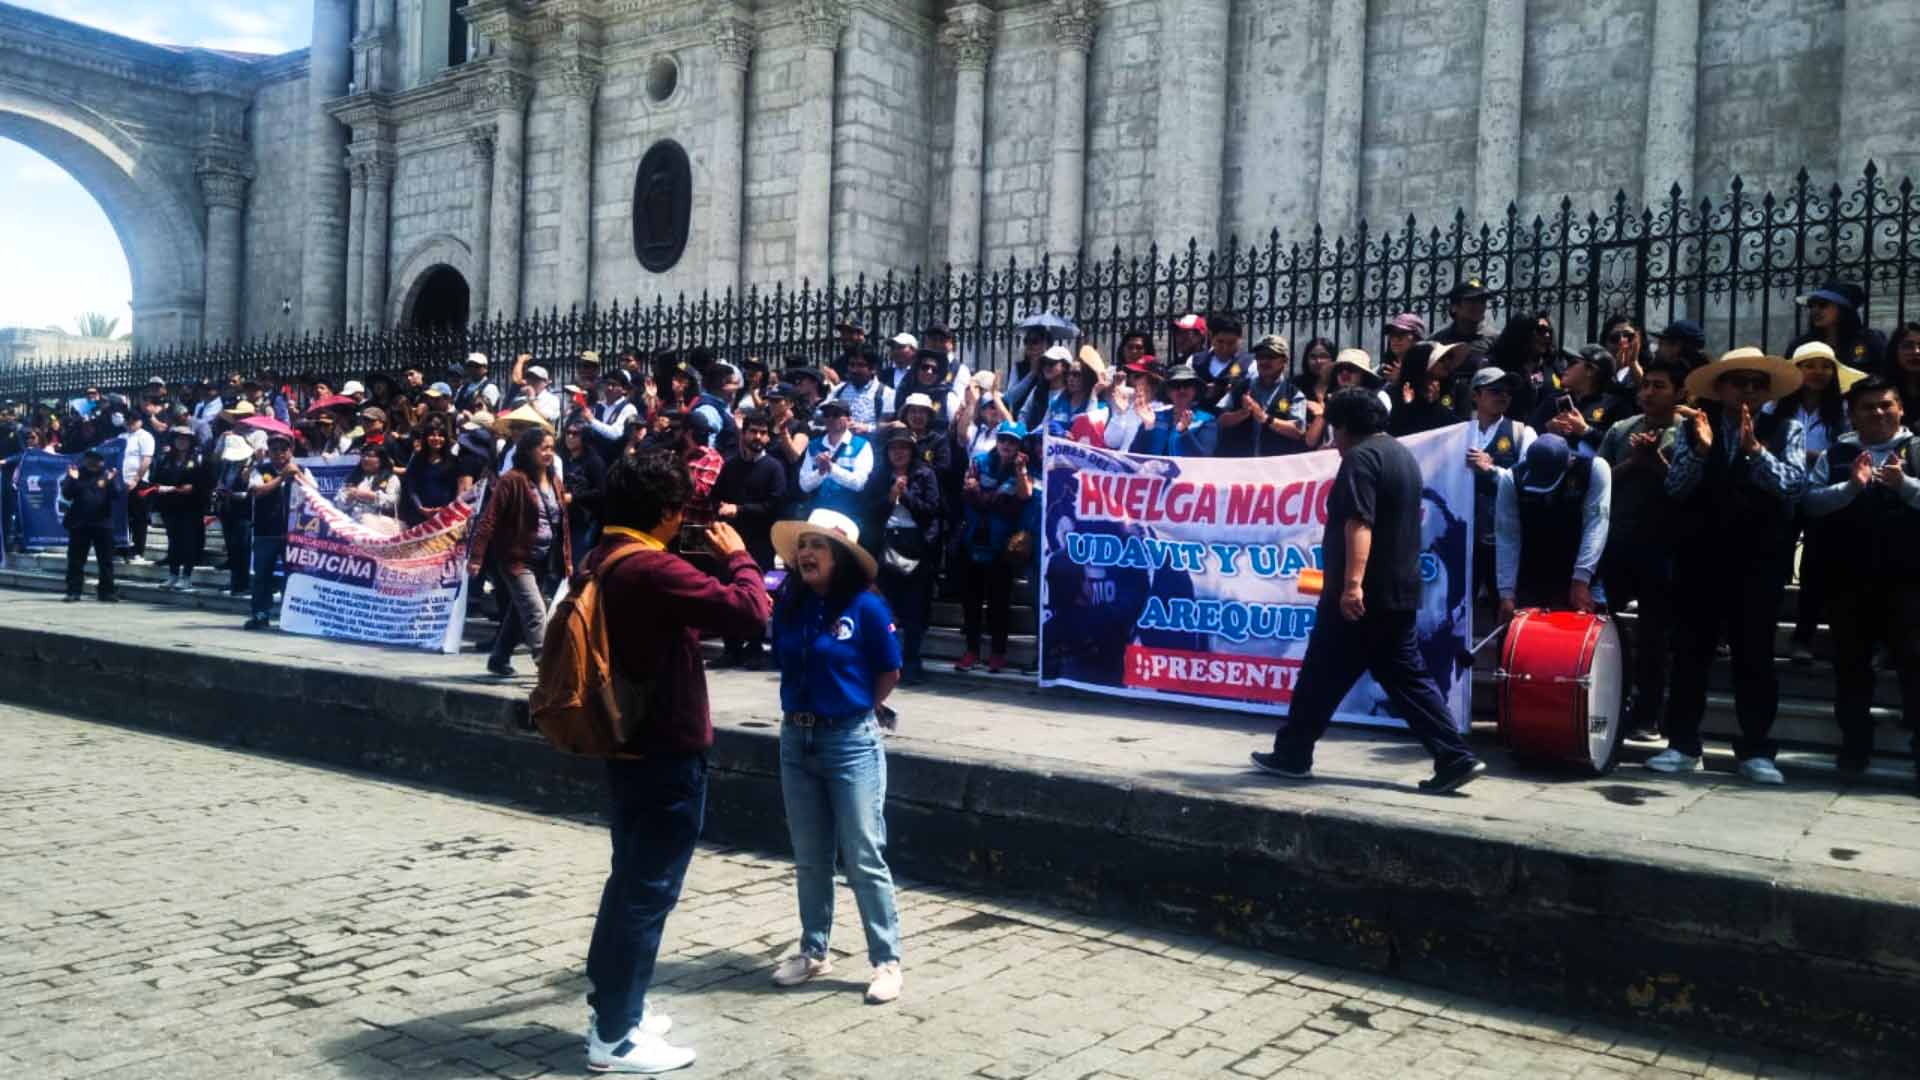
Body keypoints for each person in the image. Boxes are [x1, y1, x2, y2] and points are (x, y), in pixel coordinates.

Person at [579, 451, 771, 1075]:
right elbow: (749, 611)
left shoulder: (604, 556)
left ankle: (614, 1005)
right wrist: (737, 555)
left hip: (627, 739)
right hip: (665, 744)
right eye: (682, 509)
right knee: (648, 891)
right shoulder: (651, 569)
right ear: (665, 512)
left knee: (627, 880)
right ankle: (617, 1036)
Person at [1250, 388, 1485, 792]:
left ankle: (1293, 753)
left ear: (1346, 427)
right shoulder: (1401, 456)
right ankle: (1453, 755)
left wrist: (1352, 586)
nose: (1333, 442)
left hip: (1363, 597)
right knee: (1393, 676)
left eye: (1334, 431)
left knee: (1323, 673)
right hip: (1397, 590)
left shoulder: (1360, 459)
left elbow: (1360, 523)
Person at [766, 508, 905, 1004]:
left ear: (841, 557)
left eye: (818, 546)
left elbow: (889, 670)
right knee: (809, 856)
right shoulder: (790, 603)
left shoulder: (866, 608)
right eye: (803, 544)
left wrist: (856, 709)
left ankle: (886, 961)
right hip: (795, 739)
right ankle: (813, 949)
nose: (806, 553)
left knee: (864, 854)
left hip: (849, 741)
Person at [1650, 348, 1806, 784]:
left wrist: (1756, 452)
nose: (1749, 391)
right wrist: (1700, 453)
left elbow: (1793, 486)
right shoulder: (1691, 429)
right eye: (1740, 382)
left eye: (1758, 383)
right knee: (1690, 655)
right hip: (1701, 556)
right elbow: (1676, 488)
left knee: (1753, 656)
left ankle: (1756, 750)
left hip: (1759, 560)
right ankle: (1682, 744)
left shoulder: (1785, 428)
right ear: (1719, 388)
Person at [1802, 376, 1918, 784]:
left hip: (1909, 582)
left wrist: (1904, 486)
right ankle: (1855, 746)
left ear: (1901, 408)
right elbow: (1810, 502)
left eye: (1886, 405)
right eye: (1868, 407)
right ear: (1853, 414)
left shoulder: (1916, 451)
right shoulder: (1837, 453)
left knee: (1913, 665)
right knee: (1851, 669)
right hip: (1848, 580)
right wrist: (1850, 487)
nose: (1878, 413)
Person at [1596, 358, 1687, 742]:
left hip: (1664, 549)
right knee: (1606, 629)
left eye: (1660, 385)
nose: (1649, 392)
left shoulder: (1689, 433)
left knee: (1654, 637)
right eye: (1646, 385)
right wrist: (1634, 462)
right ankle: (1607, 706)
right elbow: (1597, 481)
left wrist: (1655, 463)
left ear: (1680, 393)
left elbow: (1686, 488)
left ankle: (1648, 714)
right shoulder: (1621, 431)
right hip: (1618, 546)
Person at [1770, 341, 1862, 663]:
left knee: (1814, 566)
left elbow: (1848, 450)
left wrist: (1811, 456)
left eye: (1825, 366)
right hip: (1782, 491)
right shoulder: (1775, 408)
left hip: (1824, 492)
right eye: (1810, 365)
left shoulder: (1846, 411)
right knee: (1775, 561)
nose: (1818, 373)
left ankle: (1803, 636)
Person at [467, 427, 572, 678]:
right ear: (528, 450)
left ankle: (499, 657)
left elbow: (562, 524)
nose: (548, 453)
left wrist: (567, 560)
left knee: (519, 611)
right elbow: (489, 519)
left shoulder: (555, 480)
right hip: (515, 558)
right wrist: (477, 557)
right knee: (536, 610)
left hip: (543, 559)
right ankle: (547, 667)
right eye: (543, 448)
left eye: (551, 448)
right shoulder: (512, 479)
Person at [1494, 433, 1611, 618]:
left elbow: (1596, 525)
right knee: (1520, 638)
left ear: (1569, 463)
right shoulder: (1512, 478)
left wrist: (1581, 579)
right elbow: (1507, 536)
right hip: (1532, 571)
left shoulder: (1594, 469)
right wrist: (1506, 593)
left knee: (1582, 639)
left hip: (1582, 568)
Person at [711, 409, 788, 669]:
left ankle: (755, 648)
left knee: (755, 593)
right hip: (731, 541)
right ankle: (731, 648)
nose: (757, 437)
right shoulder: (731, 465)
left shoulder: (773, 467)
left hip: (760, 543)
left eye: (763, 433)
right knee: (727, 593)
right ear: (743, 434)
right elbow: (716, 496)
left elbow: (775, 505)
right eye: (753, 431)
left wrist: (740, 509)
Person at [866, 423, 942, 683]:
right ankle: (885, 660)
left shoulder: (925, 474)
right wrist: (890, 497)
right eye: (893, 448)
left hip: (915, 543)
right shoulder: (879, 475)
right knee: (885, 607)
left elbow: (931, 509)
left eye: (903, 448)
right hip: (886, 542)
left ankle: (911, 661)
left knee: (914, 608)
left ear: (912, 451)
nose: (898, 453)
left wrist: (905, 495)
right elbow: (869, 509)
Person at [956, 420, 1033, 673]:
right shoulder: (978, 461)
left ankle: (998, 654)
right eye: (1003, 439)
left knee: (999, 603)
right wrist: (994, 499)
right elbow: (968, 494)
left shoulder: (1022, 469)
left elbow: (1021, 499)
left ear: (1020, 446)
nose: (1006, 445)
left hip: (1002, 546)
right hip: (973, 540)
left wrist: (985, 496)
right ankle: (971, 651)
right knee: (971, 602)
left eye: (1012, 441)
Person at [1464, 367, 1536, 613]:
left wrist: (1492, 470)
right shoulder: (1458, 432)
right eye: (1495, 390)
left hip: (1503, 538)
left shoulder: (1522, 433)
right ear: (1476, 395)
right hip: (1465, 537)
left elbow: (1529, 484)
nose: (1503, 395)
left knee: (1504, 609)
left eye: (1508, 391)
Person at [244, 435, 303, 630]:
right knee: (261, 576)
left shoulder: (301, 469)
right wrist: (282, 478)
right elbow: (257, 491)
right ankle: (260, 614)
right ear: (269, 452)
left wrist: (298, 476)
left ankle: (290, 617)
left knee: (292, 577)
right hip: (265, 532)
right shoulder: (260, 470)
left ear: (290, 452)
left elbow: (316, 492)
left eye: (283, 449)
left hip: (293, 534)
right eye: (275, 449)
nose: (279, 453)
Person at [1215, 335, 1306, 456]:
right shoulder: (1241, 388)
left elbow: (1298, 430)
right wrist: (1242, 413)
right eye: (1260, 356)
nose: (1264, 361)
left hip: (1275, 466)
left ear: (1285, 360)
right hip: (1240, 464)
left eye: (1271, 356)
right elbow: (1220, 420)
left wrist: (1265, 418)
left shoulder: (1293, 394)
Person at [1533, 345, 1632, 454]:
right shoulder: (1555, 398)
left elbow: (1617, 447)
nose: (1566, 366)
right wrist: (1548, 428)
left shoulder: (1614, 405)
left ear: (1591, 370)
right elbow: (1528, 433)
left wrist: (1586, 431)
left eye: (1573, 362)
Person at [1102, 364, 1217, 456]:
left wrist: (1184, 432)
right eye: (1175, 385)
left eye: (1187, 385)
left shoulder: (1207, 421)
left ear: (1195, 390)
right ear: (1167, 391)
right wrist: (1148, 427)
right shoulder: (1154, 416)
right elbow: (1135, 453)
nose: (1181, 390)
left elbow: (1204, 458)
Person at [1788, 279, 1887, 376]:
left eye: (1823, 304)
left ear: (1844, 309)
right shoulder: (1801, 345)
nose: (1815, 310)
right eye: (1811, 305)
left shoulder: (1869, 341)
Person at [61, 451, 122, 604]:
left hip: (102, 523)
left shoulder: (107, 474)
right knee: (76, 560)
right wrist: (73, 480)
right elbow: (67, 494)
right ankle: (73, 591)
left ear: (102, 461)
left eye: (96, 460)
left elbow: (116, 495)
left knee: (106, 560)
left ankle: (106, 592)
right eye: (89, 459)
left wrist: (110, 482)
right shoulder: (77, 473)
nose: (92, 462)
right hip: (80, 523)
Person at [151, 427, 208, 591]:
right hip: (170, 506)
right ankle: (173, 575)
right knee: (173, 542)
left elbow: (205, 481)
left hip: (191, 507)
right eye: (178, 438)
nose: (182, 442)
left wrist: (194, 488)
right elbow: (156, 479)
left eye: (185, 439)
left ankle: (187, 577)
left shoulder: (198, 459)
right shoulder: (165, 459)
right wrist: (162, 488)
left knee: (189, 542)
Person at [798, 399, 872, 518]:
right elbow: (804, 485)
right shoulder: (813, 446)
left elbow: (859, 483)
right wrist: (820, 472)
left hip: (848, 516)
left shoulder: (862, 445)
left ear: (849, 419)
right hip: (817, 514)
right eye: (827, 415)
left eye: (836, 414)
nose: (831, 418)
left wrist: (831, 469)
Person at [400, 416, 469, 526]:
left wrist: (443, 510)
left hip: (444, 517)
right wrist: (421, 508)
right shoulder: (417, 459)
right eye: (432, 435)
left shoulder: (454, 462)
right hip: (418, 516)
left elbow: (456, 491)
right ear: (426, 438)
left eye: (440, 435)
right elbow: (411, 487)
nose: (436, 438)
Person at [211, 429, 256, 596]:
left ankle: (243, 584)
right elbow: (221, 482)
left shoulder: (251, 466)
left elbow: (252, 490)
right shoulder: (228, 464)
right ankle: (234, 582)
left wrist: (234, 493)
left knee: (242, 548)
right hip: (227, 509)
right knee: (232, 548)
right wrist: (220, 489)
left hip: (244, 511)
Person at [561, 421, 609, 564]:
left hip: (585, 521)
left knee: (578, 563)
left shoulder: (594, 461)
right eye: (567, 432)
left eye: (575, 434)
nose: (569, 436)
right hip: (566, 518)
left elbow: (601, 491)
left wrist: (573, 497)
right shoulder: (564, 458)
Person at [826, 346, 893, 433]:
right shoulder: (839, 390)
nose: (854, 370)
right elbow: (820, 414)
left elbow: (888, 426)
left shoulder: (886, 393)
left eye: (860, 365)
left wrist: (867, 428)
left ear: (873, 369)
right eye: (852, 365)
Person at [118, 411, 155, 565]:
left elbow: (146, 459)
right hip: (121, 481)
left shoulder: (145, 436)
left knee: (139, 517)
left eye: (134, 419)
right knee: (123, 518)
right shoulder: (121, 437)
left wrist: (136, 479)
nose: (131, 422)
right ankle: (122, 549)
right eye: (128, 419)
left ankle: (139, 551)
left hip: (138, 481)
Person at [1190, 313, 1250, 405]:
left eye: (1231, 343)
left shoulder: (1250, 364)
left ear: (1240, 339)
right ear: (1210, 336)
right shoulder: (1194, 361)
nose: (1225, 348)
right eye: (1220, 342)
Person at [333, 445, 402, 526]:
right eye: (363, 455)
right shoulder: (353, 478)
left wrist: (369, 496)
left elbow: (393, 503)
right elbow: (338, 504)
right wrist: (348, 498)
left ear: (381, 460)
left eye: (370, 456)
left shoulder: (391, 478)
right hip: (352, 525)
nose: (365, 459)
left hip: (377, 527)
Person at [1432, 279, 1495, 353]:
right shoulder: (1438, 341)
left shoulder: (1493, 341)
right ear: (1454, 307)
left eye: (1482, 301)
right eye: (1472, 301)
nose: (1479, 306)